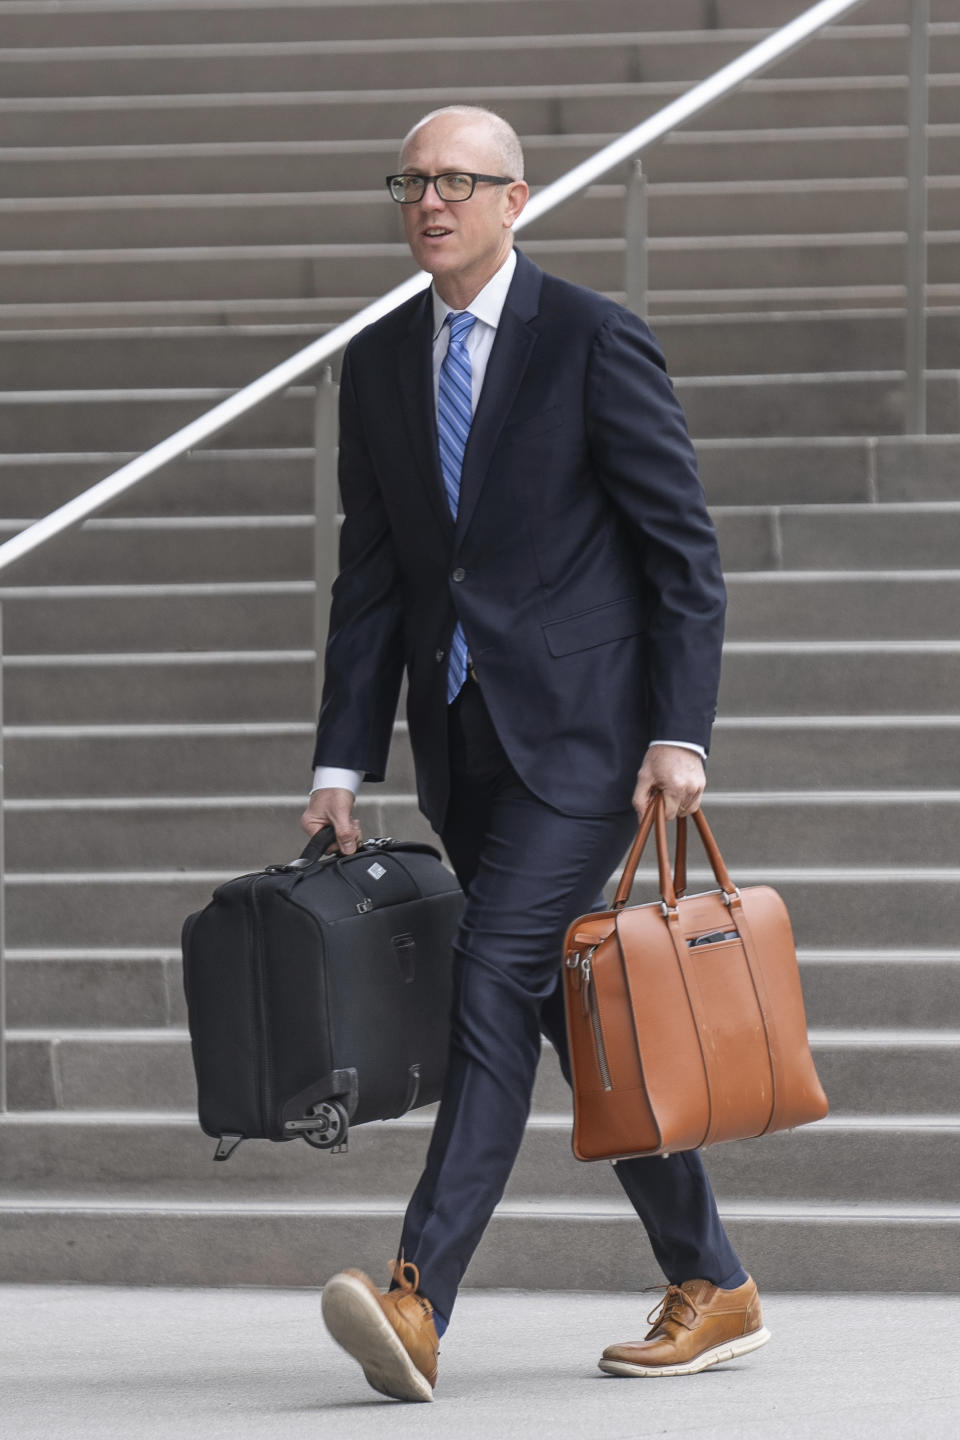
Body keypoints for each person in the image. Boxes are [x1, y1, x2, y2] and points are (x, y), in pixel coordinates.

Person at [301, 105, 769, 1402]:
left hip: (586, 745)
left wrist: (681, 731)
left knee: (495, 979)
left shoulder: (589, 337)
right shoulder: (386, 359)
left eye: (457, 180)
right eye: (412, 181)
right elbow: (378, 581)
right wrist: (344, 762)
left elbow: (683, 551)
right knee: (578, 1015)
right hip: (464, 748)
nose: (429, 201)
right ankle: (714, 1279)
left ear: (517, 199)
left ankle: (418, 1296)